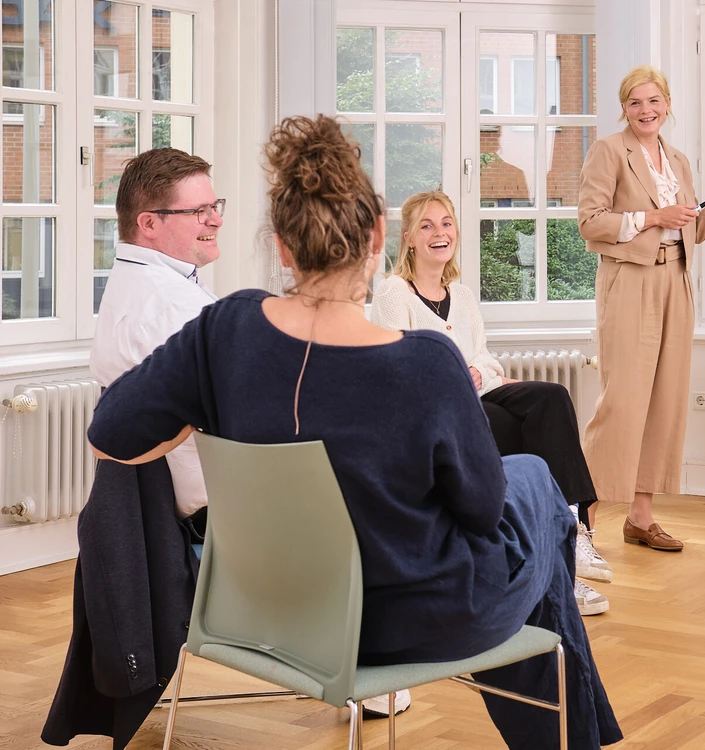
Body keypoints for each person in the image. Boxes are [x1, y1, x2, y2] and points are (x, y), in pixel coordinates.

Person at [85, 114, 622, 750]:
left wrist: (210, 407)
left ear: (282, 247)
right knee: (532, 481)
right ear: (377, 237)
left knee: (528, 503)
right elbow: (481, 512)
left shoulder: (223, 329)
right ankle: (575, 738)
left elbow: (110, 435)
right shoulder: (429, 361)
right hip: (415, 622)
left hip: (272, 611)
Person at [373, 190, 612, 617]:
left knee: (551, 397)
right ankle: (557, 565)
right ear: (408, 237)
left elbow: (485, 357)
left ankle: (572, 530)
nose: (439, 233)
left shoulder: (462, 296)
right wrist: (459, 376)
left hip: (480, 389)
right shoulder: (395, 292)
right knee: (506, 423)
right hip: (437, 409)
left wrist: (479, 373)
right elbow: (396, 364)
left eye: (446, 223)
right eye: (426, 225)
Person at [577, 64, 705, 551]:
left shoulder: (677, 161)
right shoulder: (609, 151)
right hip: (630, 281)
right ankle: (580, 524)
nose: (645, 110)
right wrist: (653, 216)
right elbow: (590, 222)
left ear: (667, 105)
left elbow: (692, 228)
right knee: (621, 403)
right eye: (635, 102)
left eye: (654, 101)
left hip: (677, 280)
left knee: (664, 403)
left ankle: (640, 517)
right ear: (624, 108)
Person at [89, 148, 223, 536]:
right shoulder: (172, 307)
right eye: (199, 211)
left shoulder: (139, 282)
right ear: (148, 223)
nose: (216, 220)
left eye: (215, 206)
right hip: (216, 514)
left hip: (176, 505)